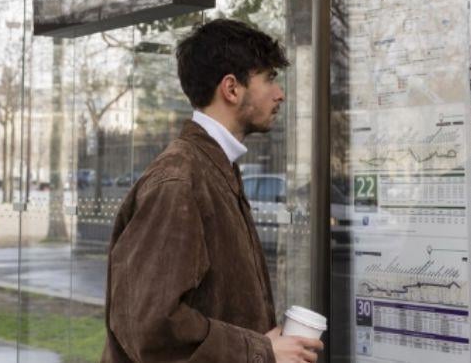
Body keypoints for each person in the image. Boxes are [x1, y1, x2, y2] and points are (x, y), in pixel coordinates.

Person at [101, 19, 323, 363]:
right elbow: (149, 326)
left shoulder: (213, 167)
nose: (280, 94)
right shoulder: (179, 180)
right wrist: (261, 351)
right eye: (269, 79)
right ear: (231, 89)